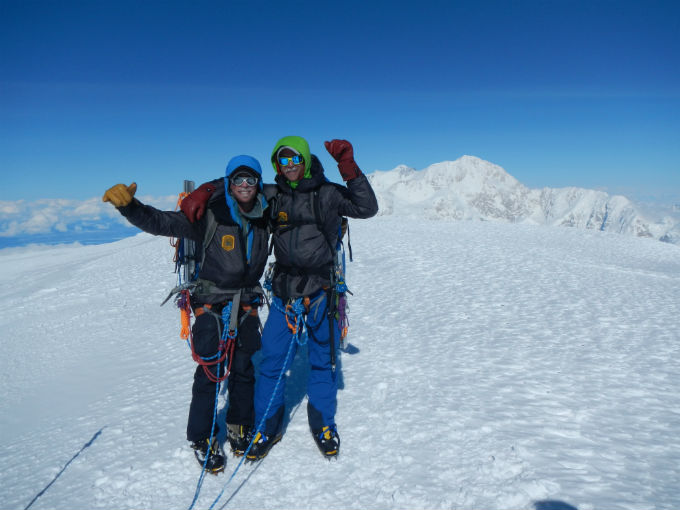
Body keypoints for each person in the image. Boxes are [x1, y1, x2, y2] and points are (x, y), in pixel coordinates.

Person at [181, 137, 378, 459]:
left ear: (306, 159)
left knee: (322, 362)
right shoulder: (274, 196)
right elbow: (241, 186)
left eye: (295, 159)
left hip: (321, 291)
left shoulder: (328, 194)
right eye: (283, 161)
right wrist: (205, 189)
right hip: (285, 292)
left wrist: (348, 167)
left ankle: (323, 424)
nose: (290, 166)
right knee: (271, 361)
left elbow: (367, 208)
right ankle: (267, 425)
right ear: (276, 165)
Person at [102, 155, 270, 474]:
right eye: (238, 180)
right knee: (209, 371)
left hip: (247, 300)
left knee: (244, 368)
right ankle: (201, 437)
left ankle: (238, 426)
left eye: (251, 180)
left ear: (258, 183)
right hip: (211, 301)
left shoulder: (265, 213)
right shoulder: (208, 215)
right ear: (228, 183)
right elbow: (163, 222)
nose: (245, 186)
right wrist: (130, 207)